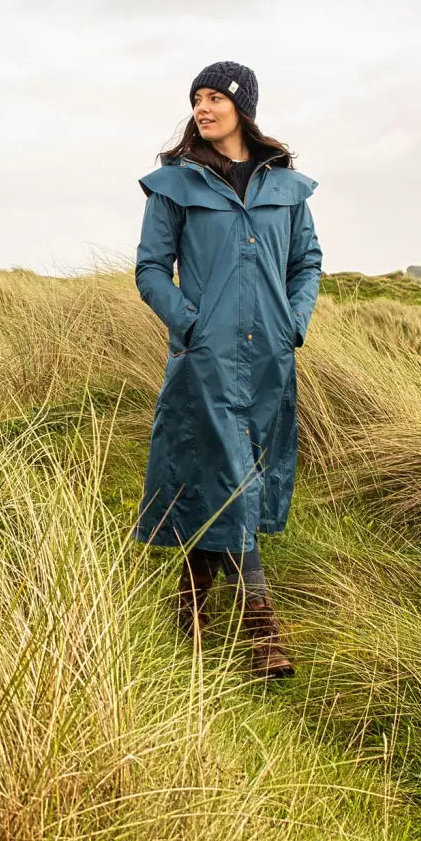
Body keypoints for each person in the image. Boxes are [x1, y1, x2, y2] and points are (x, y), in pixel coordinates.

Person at [132, 59, 323, 678]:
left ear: (243, 106)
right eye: (197, 99)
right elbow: (150, 269)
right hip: (207, 359)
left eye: (215, 97)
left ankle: (188, 604)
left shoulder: (286, 188)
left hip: (269, 355)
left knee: (232, 476)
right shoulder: (174, 185)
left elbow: (308, 262)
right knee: (236, 478)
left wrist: (294, 321)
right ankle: (262, 630)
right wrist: (187, 322)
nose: (202, 108)